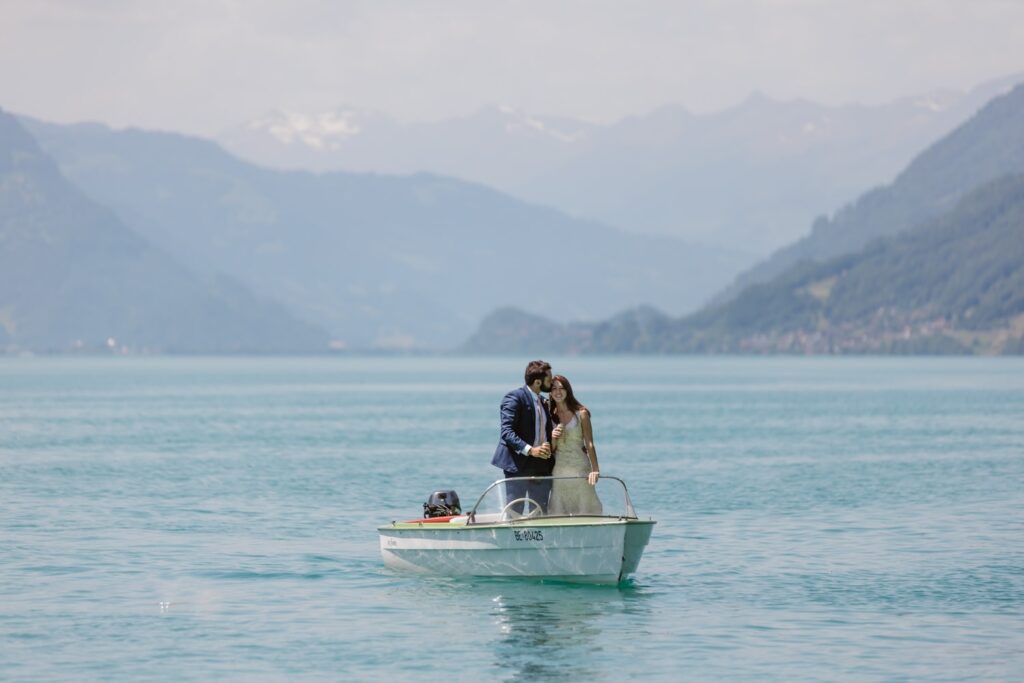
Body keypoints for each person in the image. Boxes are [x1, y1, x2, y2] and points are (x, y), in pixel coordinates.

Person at [491, 360, 555, 513]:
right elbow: (506, 432)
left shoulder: (544, 402)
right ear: (538, 382)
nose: (552, 382)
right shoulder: (514, 398)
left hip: (542, 466)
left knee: (540, 512)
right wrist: (531, 450)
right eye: (549, 379)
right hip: (517, 465)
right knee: (514, 512)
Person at [548, 375, 602, 515]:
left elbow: (589, 443)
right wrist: (553, 437)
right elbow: (552, 449)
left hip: (580, 469)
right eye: (554, 389)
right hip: (559, 470)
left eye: (561, 388)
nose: (558, 392)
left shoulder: (581, 413)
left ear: (568, 390)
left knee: (585, 507)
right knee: (559, 510)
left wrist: (595, 469)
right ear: (550, 392)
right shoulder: (549, 415)